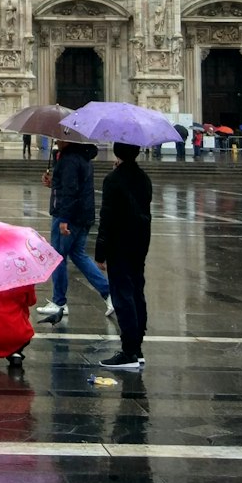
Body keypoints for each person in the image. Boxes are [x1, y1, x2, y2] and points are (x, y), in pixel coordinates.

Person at [38, 140, 112, 327]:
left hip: (69, 216)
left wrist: (64, 218)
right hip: (82, 215)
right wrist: (52, 183)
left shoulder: (70, 159)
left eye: (59, 138)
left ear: (67, 140)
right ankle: (108, 293)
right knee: (78, 255)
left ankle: (59, 302)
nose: (55, 141)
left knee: (57, 257)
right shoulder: (82, 157)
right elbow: (70, 186)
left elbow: (70, 191)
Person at [95, 141, 153, 371]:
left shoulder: (113, 180)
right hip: (140, 243)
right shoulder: (144, 178)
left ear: (117, 153)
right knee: (137, 292)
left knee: (122, 296)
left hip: (119, 244)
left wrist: (100, 251)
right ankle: (137, 349)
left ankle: (128, 351)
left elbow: (107, 217)